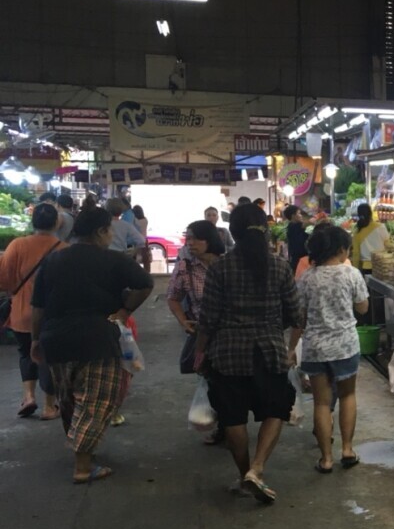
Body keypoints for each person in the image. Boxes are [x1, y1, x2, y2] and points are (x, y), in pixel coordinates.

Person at [30, 208, 153, 483]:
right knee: (97, 401)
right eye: (109, 230)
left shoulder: (53, 260)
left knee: (69, 399)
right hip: (97, 338)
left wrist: (36, 339)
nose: (111, 235)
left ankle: (82, 452)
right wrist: (123, 311)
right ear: (99, 232)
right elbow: (145, 284)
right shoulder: (113, 260)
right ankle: (83, 466)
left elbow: (37, 308)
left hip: (56, 339)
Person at [195, 203, 304, 504]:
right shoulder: (280, 266)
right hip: (268, 351)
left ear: (233, 232)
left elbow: (208, 318)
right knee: (275, 409)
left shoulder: (220, 268)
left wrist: (200, 351)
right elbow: (296, 314)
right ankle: (257, 470)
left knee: (233, 418)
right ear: (266, 230)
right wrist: (284, 339)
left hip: (227, 353)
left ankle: (245, 474)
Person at [289, 225, 369, 473]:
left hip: (315, 348)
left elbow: (299, 319)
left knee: (321, 403)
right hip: (345, 345)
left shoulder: (306, 278)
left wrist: (291, 348)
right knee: (347, 396)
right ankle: (347, 449)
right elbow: (363, 308)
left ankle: (326, 459)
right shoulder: (351, 274)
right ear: (341, 249)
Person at [0, 204, 65, 419]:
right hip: (52, 316)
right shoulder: (63, 249)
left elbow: (4, 279)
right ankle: (49, 406)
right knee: (50, 357)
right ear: (57, 222)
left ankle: (28, 397)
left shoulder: (17, 245)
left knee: (25, 354)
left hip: (21, 313)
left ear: (32, 222)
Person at [167, 219, 227, 445]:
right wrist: (183, 321)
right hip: (203, 334)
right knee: (213, 381)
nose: (189, 243)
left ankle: (230, 424)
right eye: (187, 238)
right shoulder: (185, 267)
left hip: (230, 332)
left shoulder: (227, 263)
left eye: (194, 238)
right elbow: (173, 297)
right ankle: (224, 426)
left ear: (209, 240)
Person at [351, 203, 389, 272]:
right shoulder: (381, 227)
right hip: (382, 265)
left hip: (366, 267)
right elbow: (388, 244)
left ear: (359, 215)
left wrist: (355, 269)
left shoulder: (357, 232)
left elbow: (356, 253)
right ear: (370, 213)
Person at [283, 205, 308, 269]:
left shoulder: (295, 226)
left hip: (300, 259)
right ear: (293, 216)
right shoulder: (293, 227)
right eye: (299, 213)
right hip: (298, 260)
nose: (301, 216)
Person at [132, 205, 151, 272]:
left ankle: (135, 272)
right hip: (145, 240)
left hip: (136, 240)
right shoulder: (145, 220)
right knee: (146, 259)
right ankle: (147, 272)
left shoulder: (135, 221)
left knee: (135, 257)